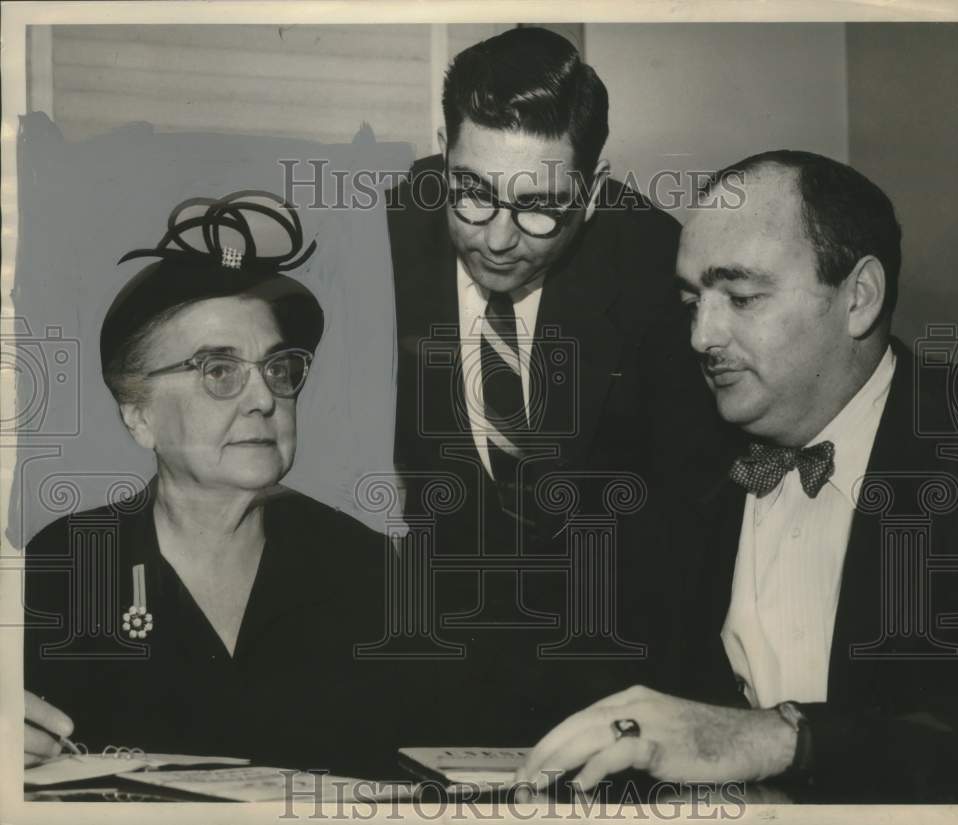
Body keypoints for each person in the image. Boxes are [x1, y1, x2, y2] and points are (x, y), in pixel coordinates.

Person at [516, 151, 958, 803]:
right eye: (691, 301)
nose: (703, 335)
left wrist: (775, 740)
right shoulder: (671, 459)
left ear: (859, 298)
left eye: (740, 296)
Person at [386, 27, 711, 747]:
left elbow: (693, 516)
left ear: (590, 198)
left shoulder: (656, 263)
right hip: (415, 656)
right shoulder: (378, 239)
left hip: (604, 668)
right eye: (470, 193)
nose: (498, 240)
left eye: (539, 208)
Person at [23, 192, 397, 777]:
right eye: (218, 371)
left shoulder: (362, 564)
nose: (264, 397)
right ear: (139, 416)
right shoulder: (65, 564)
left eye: (278, 367)